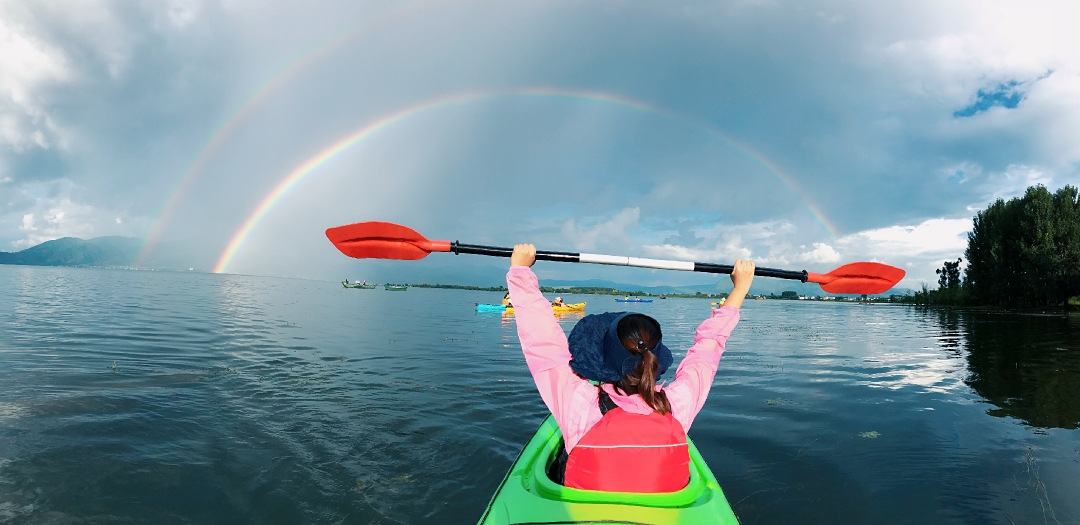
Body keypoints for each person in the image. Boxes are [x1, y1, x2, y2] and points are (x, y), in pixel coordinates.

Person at [507, 244, 754, 493]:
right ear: (655, 358)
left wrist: (520, 271)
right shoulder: (678, 404)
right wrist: (740, 288)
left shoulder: (578, 401)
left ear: (603, 357)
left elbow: (542, 341)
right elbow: (708, 348)